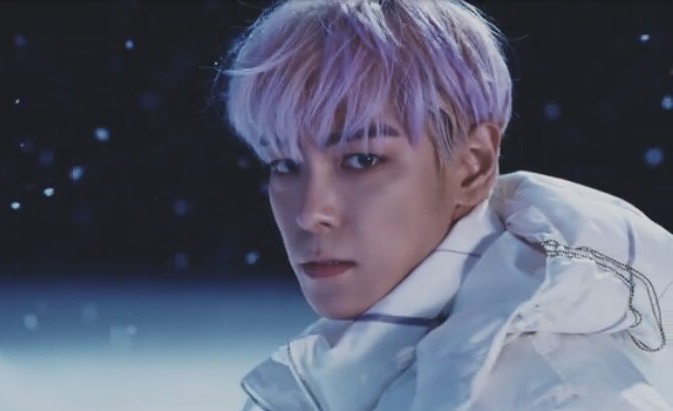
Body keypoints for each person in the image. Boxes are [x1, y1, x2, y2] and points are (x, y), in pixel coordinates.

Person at [217, 0, 673, 409]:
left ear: (473, 166)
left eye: (362, 159)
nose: (310, 212)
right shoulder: (339, 381)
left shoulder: (565, 398)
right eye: (284, 165)